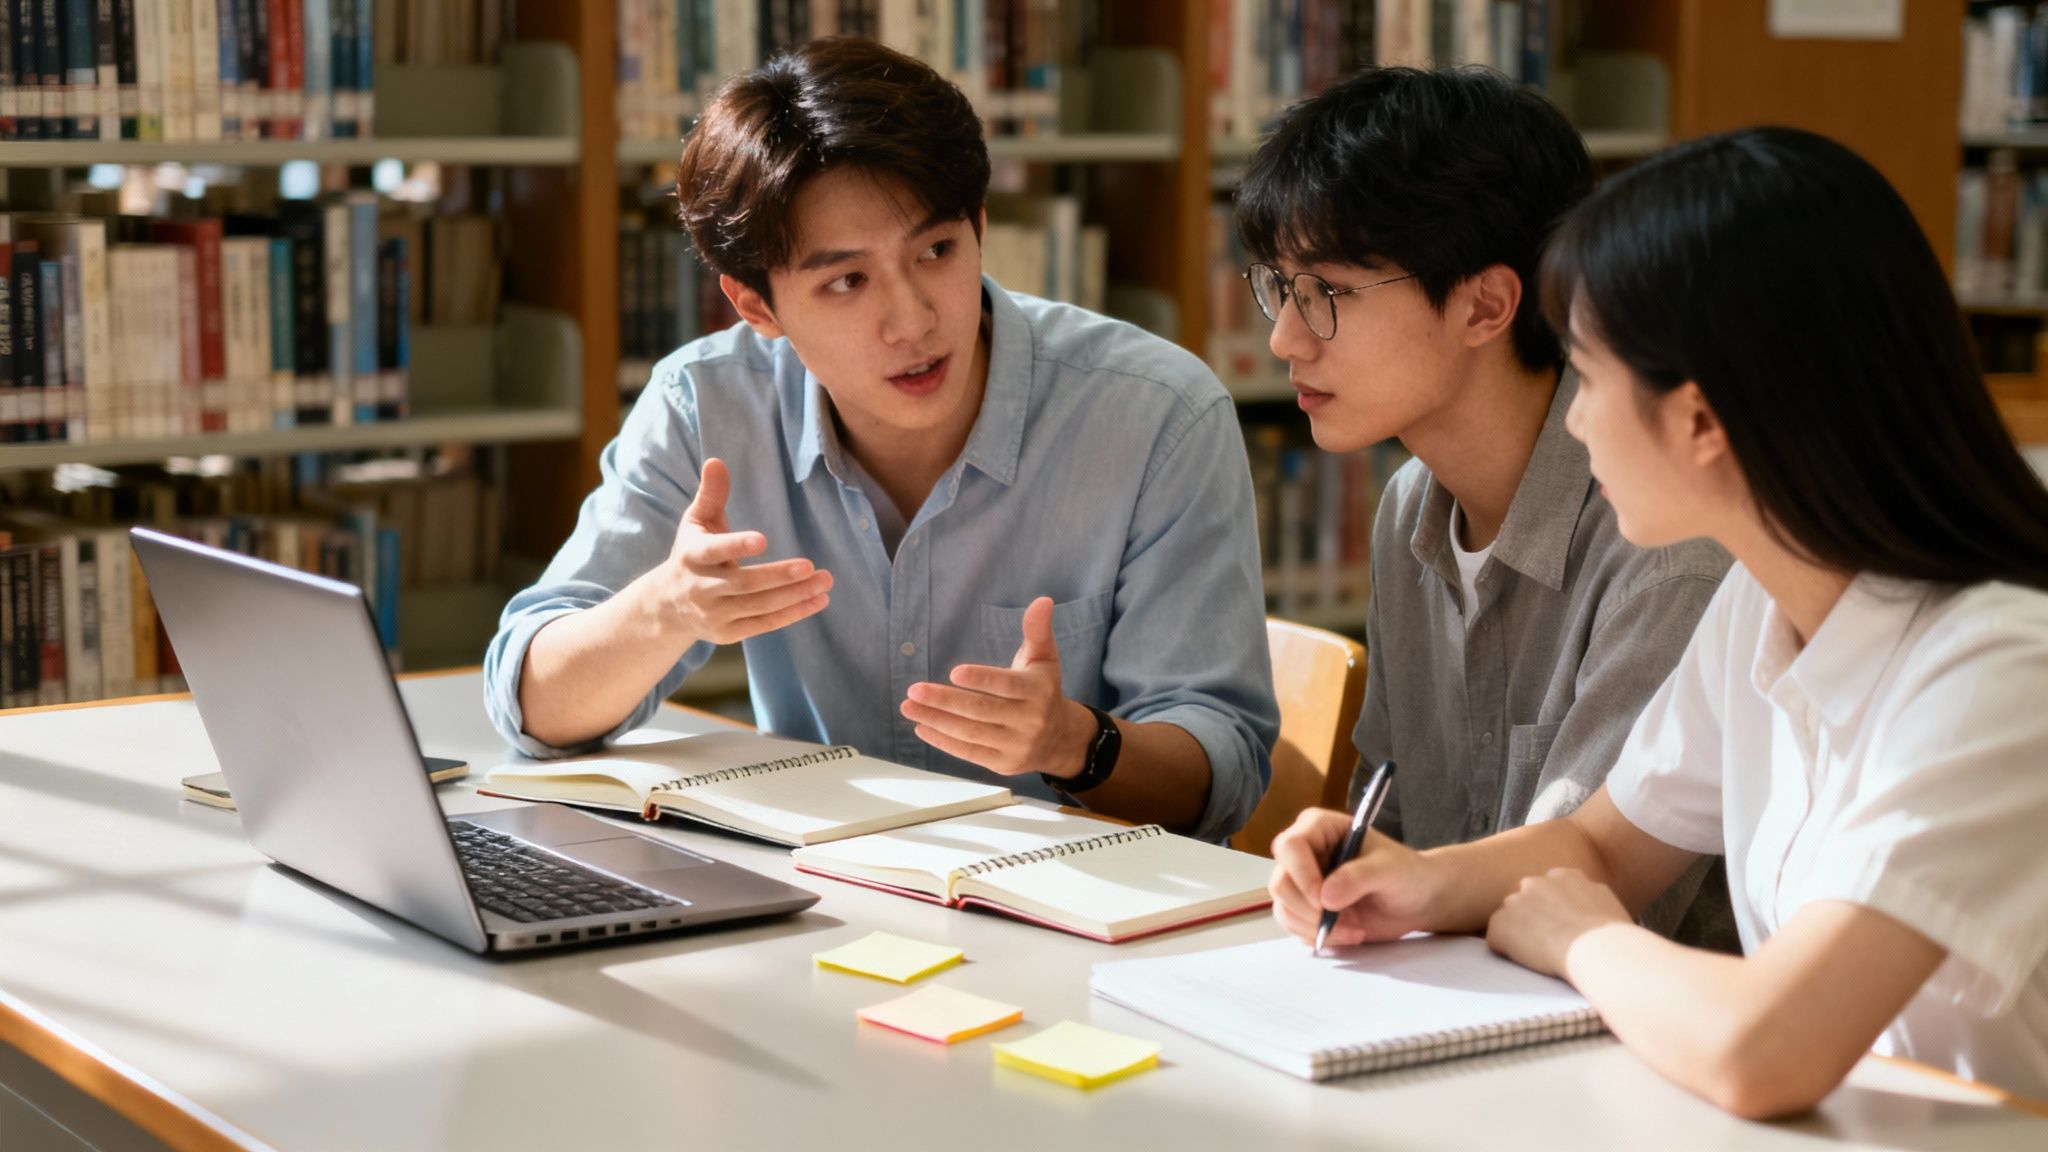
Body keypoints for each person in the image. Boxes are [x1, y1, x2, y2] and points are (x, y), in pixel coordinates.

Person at [1270, 125, 2048, 1113]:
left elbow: (1764, 1050)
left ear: (1699, 419)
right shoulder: (1761, 603)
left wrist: (1579, 938)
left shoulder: (2001, 669)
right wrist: (1417, 881)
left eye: (1588, 377)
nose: (1576, 419)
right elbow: (1598, 845)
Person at [482, 37, 1278, 840]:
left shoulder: (1158, 416)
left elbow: (1223, 780)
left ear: (979, 228)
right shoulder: (706, 406)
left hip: (1069, 912)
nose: (915, 320)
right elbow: (532, 706)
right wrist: (666, 609)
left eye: (937, 251)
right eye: (846, 281)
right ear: (755, 305)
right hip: (816, 901)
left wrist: (1077, 744)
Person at [1236, 66, 1732, 942]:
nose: (1283, 337)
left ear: (1487, 304)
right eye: (1279, 286)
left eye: (1326, 294)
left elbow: (1609, 898)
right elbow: (1393, 824)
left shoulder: (1662, 541)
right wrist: (1345, 870)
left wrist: (1411, 885)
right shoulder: (1406, 510)